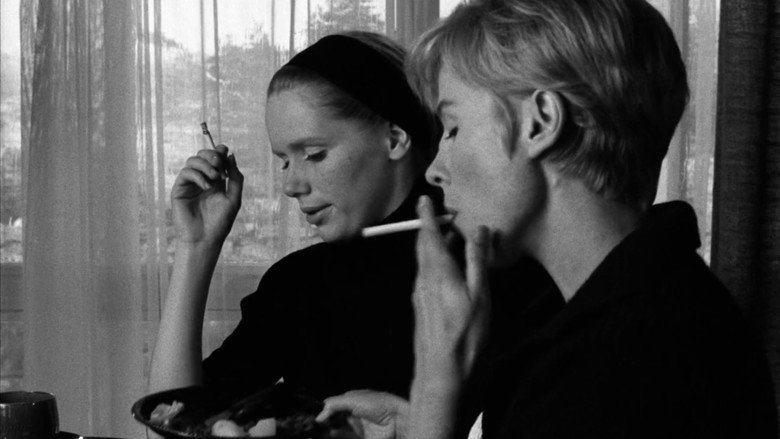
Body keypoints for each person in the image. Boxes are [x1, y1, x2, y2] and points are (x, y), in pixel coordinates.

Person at [318, 1, 779, 438]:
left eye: (453, 129)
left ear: (540, 122)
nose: (435, 171)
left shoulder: (631, 360)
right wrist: (420, 422)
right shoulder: (636, 308)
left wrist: (434, 395)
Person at [148, 32, 442, 404]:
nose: (290, 185)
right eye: (285, 160)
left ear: (395, 139)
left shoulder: (483, 265)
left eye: (314, 154)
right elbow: (171, 417)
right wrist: (196, 248)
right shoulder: (299, 285)